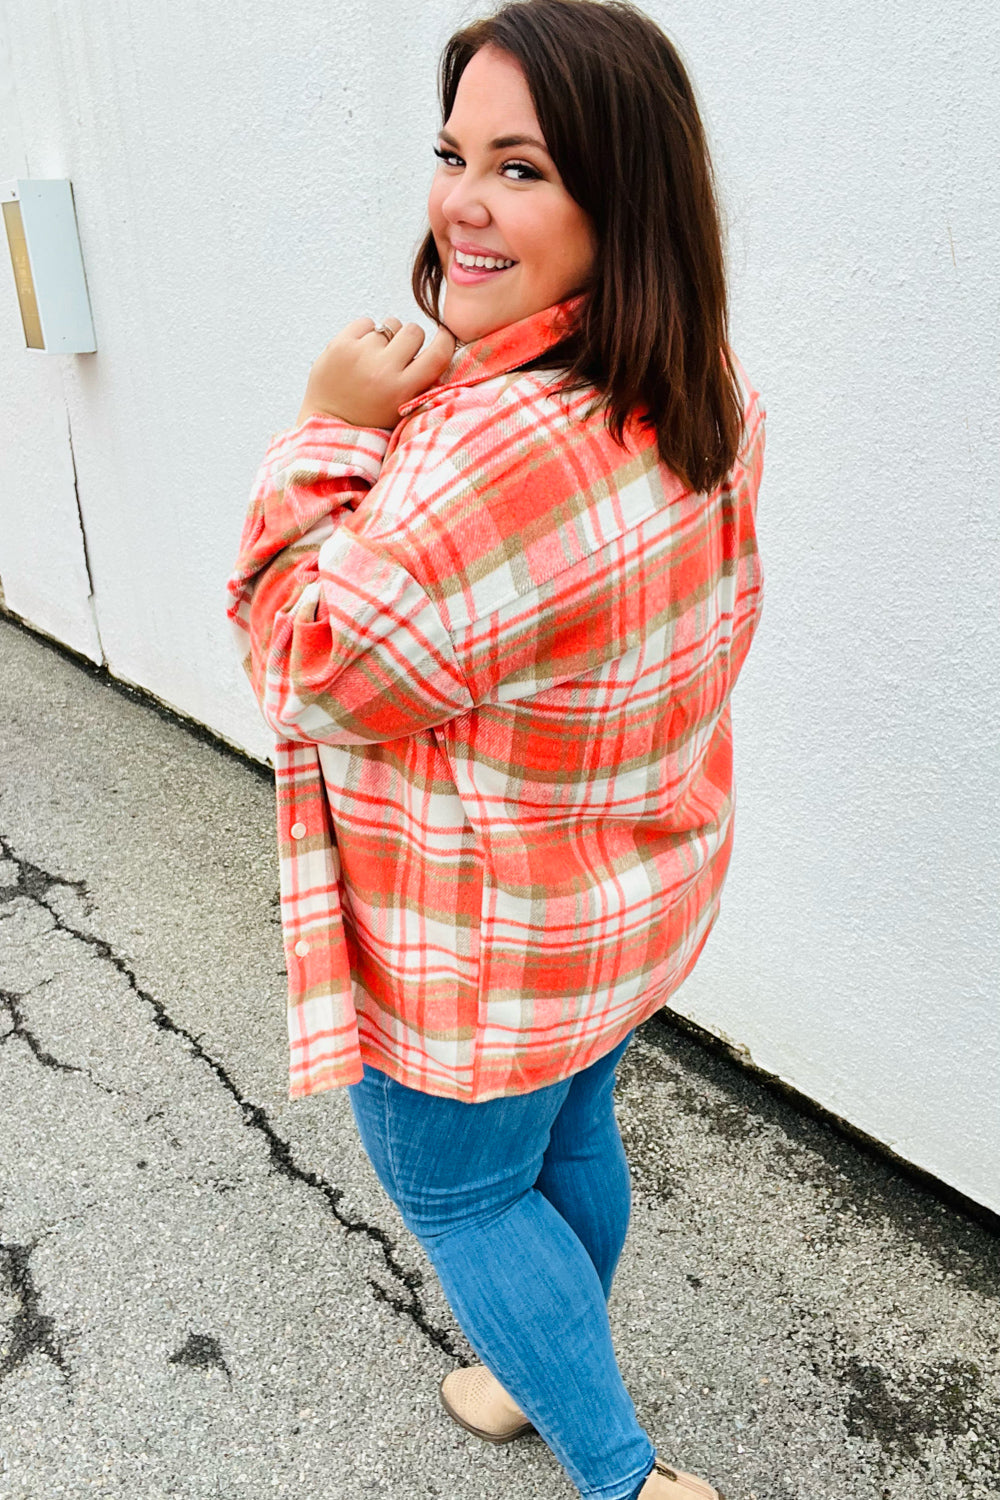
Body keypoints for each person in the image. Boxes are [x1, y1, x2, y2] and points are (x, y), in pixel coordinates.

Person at [227, 2, 764, 1495]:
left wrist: (323, 428)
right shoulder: (700, 386)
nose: (461, 200)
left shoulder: (489, 447)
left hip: (467, 939)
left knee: (465, 1202)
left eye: (522, 168)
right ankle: (541, 1368)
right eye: (453, 150)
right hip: (604, 901)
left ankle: (623, 1472)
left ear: (620, 192)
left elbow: (309, 667)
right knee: (566, 1129)